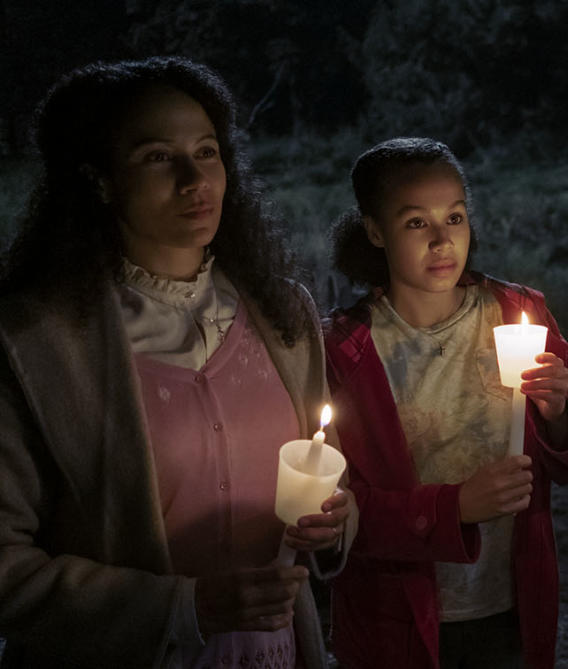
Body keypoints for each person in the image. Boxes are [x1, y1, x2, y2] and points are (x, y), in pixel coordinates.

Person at [0, 57, 355, 668]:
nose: (197, 180)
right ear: (100, 181)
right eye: (159, 157)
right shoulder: (35, 345)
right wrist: (182, 607)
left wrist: (336, 523)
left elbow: (324, 479)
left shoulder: (283, 316)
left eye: (208, 152)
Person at [323, 137, 568, 669]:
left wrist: (557, 414)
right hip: (396, 616)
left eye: (454, 218)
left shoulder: (517, 312)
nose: (441, 240)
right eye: (415, 223)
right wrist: (453, 509)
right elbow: (341, 512)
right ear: (374, 230)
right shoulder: (345, 350)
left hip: (509, 606)